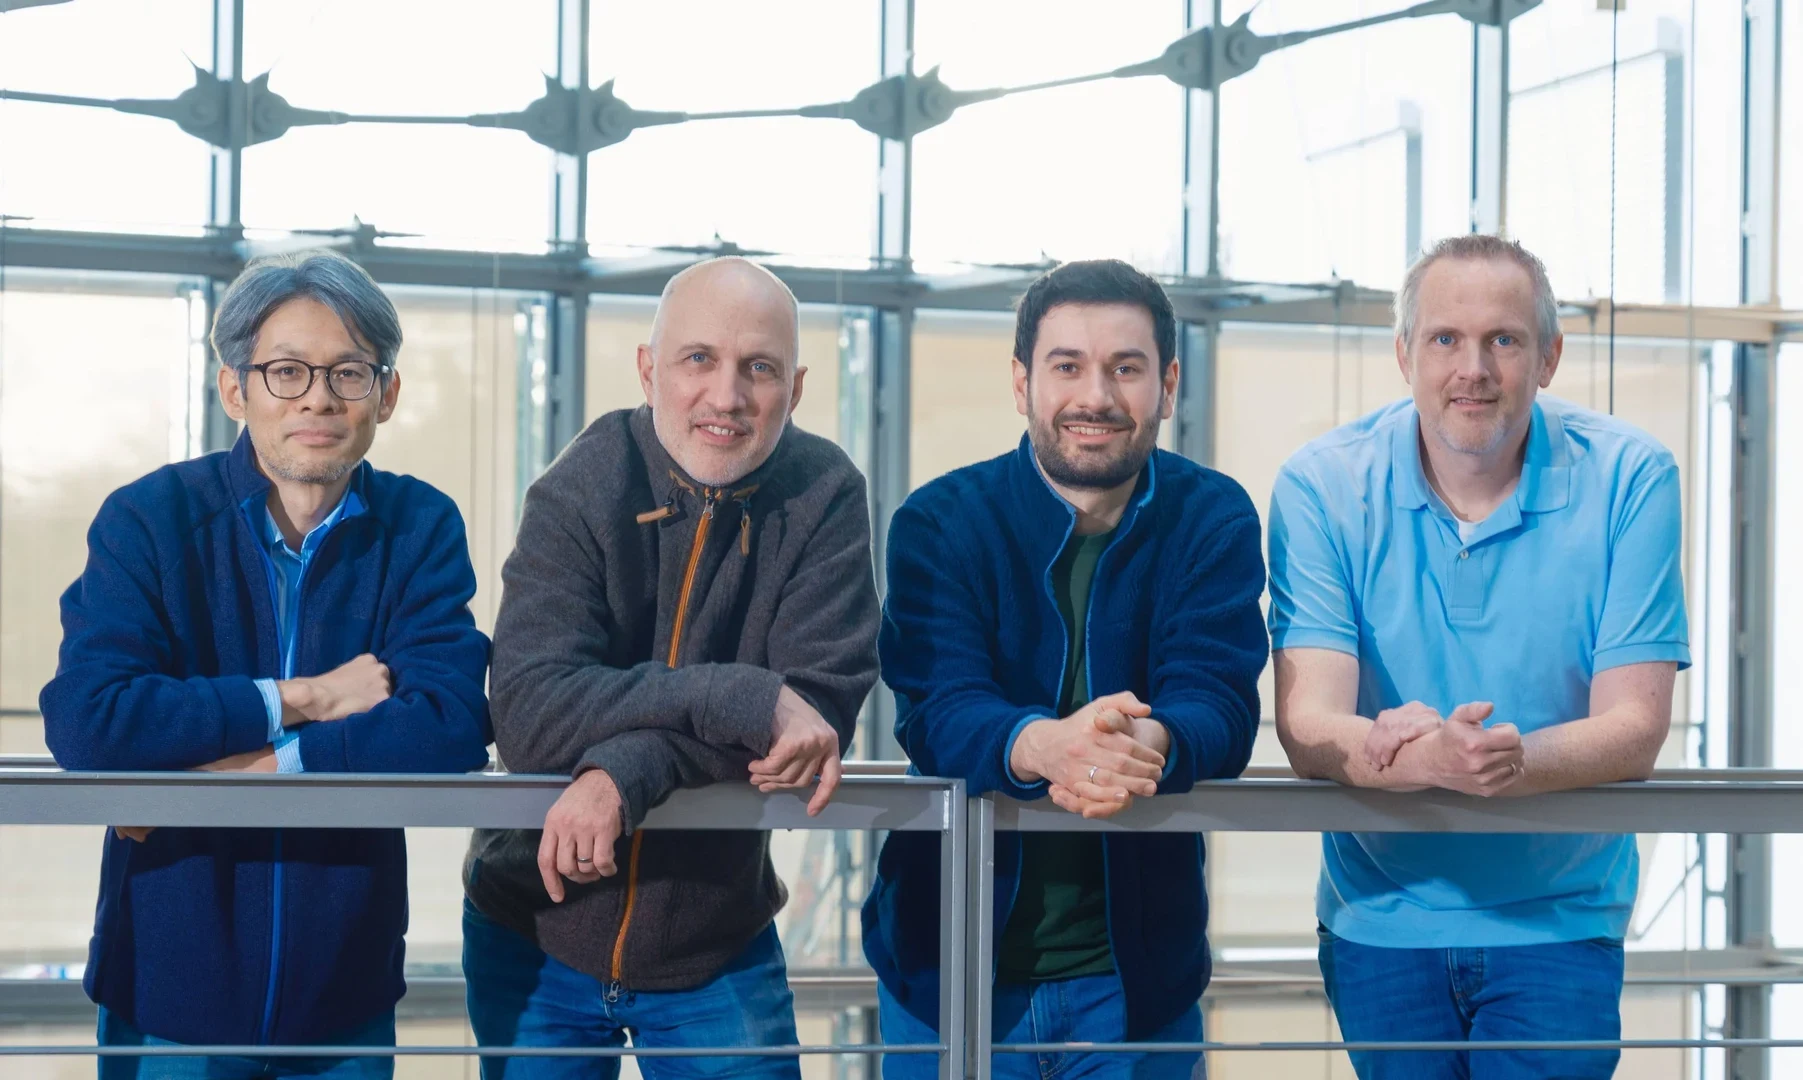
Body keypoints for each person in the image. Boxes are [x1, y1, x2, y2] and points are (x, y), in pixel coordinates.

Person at [39, 250, 493, 1079]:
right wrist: (307, 698)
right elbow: (88, 720)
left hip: (343, 997)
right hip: (167, 989)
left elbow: (452, 723)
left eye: (349, 372)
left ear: (385, 395)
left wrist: (240, 768)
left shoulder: (420, 526)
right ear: (233, 388)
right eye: (286, 371)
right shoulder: (150, 519)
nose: (318, 396)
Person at [1268, 234, 1689, 1079]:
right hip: (1380, 917)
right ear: (1402, 354)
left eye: (1504, 339)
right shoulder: (1318, 486)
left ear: (1549, 357)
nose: (1474, 368)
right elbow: (1307, 724)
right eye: (1444, 339)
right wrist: (1416, 757)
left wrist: (1499, 760)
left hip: (1560, 920)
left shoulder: (1633, 477)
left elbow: (1635, 729)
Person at [461, 256, 880, 1079]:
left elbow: (813, 719)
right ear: (650, 370)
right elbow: (529, 713)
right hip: (534, 927)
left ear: (792, 390)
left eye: (757, 369)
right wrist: (745, 695)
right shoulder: (581, 485)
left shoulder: (824, 492)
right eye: (698, 359)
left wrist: (622, 769)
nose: (725, 396)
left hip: (714, 937)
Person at [864, 259, 1267, 1079]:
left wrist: (1142, 741)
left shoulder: (1211, 515)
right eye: (1067, 366)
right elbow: (937, 711)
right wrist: (1046, 746)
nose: (1097, 396)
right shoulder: (940, 521)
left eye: (1126, 367)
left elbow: (1218, 702)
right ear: (1021, 382)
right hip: (946, 973)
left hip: (1135, 987)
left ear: (1168, 383)